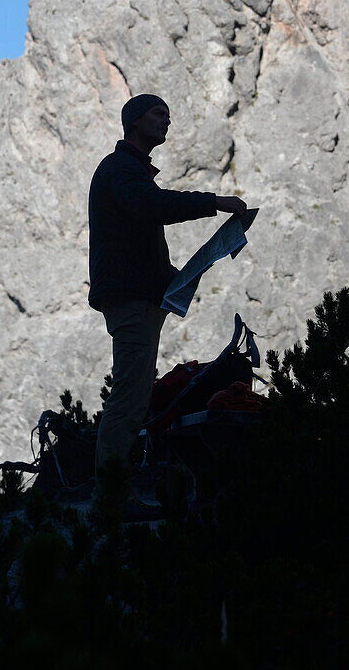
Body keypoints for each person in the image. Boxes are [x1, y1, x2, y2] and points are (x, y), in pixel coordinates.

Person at [88, 93, 247, 487]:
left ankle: (117, 487)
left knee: (136, 392)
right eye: (159, 114)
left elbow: (138, 229)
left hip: (138, 296)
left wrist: (175, 276)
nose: (167, 121)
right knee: (129, 395)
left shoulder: (127, 169)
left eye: (168, 115)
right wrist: (215, 202)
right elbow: (150, 205)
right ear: (134, 121)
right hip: (130, 299)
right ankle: (111, 494)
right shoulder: (121, 167)